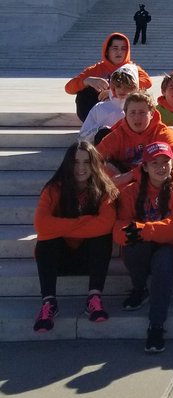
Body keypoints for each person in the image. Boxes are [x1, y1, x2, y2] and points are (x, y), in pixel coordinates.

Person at [113, 141, 173, 353]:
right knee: (132, 246)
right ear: (145, 167)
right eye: (154, 162)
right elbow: (119, 226)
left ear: (172, 163)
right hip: (145, 245)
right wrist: (132, 233)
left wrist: (142, 230)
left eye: (165, 161)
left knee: (163, 262)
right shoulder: (130, 192)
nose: (160, 167)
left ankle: (156, 325)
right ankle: (140, 288)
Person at [32, 141, 118, 332]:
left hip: (90, 258)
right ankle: (49, 303)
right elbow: (41, 224)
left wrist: (60, 227)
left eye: (86, 162)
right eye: (75, 162)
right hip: (60, 259)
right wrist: (86, 222)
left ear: (94, 163)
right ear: (67, 164)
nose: (81, 168)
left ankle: (94, 297)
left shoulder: (105, 189)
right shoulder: (53, 189)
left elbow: (105, 224)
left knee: (101, 238)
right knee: (46, 242)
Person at [97, 91, 173, 191]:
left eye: (142, 112)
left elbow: (172, 164)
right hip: (124, 185)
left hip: (156, 183)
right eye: (132, 112)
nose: (137, 118)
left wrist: (132, 174)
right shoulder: (117, 135)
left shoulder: (164, 134)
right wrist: (112, 174)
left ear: (152, 113)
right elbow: (94, 159)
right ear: (125, 114)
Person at [64, 32, 151, 121]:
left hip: (125, 113)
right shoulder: (96, 69)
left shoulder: (132, 69)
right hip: (100, 115)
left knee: (138, 93)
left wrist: (113, 92)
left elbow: (147, 82)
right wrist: (87, 81)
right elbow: (69, 88)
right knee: (84, 93)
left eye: (123, 49)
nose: (119, 52)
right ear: (107, 51)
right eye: (115, 48)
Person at [78, 63, 139, 144]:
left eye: (127, 87)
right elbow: (82, 137)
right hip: (103, 150)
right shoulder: (100, 108)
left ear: (134, 88)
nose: (122, 90)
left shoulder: (139, 108)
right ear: (113, 87)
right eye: (118, 86)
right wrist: (100, 131)